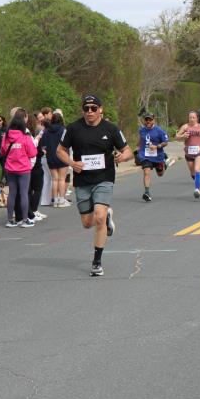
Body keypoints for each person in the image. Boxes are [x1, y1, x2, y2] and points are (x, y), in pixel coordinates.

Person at [56, 94, 131, 277]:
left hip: (104, 178)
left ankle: (97, 262)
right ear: (82, 110)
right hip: (82, 181)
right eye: (86, 108)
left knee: (99, 216)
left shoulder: (111, 129)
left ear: (100, 110)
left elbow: (128, 151)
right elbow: (60, 151)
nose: (90, 111)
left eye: (94, 108)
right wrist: (72, 163)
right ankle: (106, 216)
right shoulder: (73, 128)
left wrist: (122, 157)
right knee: (87, 223)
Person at [0, 113, 38, 227]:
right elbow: (33, 153)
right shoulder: (25, 137)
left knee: (12, 193)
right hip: (24, 169)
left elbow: (2, 151)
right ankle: (25, 220)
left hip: (10, 168)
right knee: (24, 194)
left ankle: (9, 220)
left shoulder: (6, 137)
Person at [176, 111, 200, 199]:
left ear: (197, 118)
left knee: (197, 170)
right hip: (189, 153)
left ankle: (197, 189)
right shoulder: (185, 126)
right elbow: (177, 137)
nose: (191, 119)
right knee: (192, 173)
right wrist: (183, 136)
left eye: (193, 117)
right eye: (190, 117)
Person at [136, 113, 169, 202]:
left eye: (150, 120)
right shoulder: (142, 130)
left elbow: (165, 142)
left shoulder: (159, 130)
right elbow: (139, 141)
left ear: (153, 120)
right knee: (146, 171)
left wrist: (157, 146)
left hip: (157, 156)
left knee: (160, 174)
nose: (148, 121)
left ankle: (164, 163)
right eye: (146, 120)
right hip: (145, 156)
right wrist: (137, 148)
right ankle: (147, 192)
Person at [41, 111, 70, 206]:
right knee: (62, 179)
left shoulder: (46, 131)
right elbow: (68, 143)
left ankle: (55, 200)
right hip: (63, 155)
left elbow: (43, 145)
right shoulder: (64, 130)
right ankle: (61, 200)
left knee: (54, 179)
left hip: (50, 156)